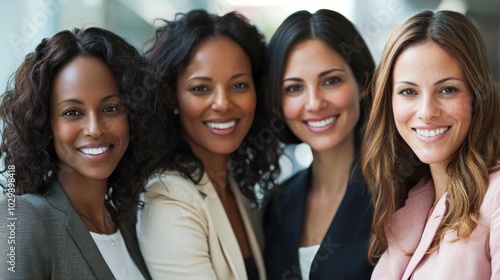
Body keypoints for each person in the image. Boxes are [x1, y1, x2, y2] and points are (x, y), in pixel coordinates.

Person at [0, 27, 170, 279]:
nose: (95, 129)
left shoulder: (127, 222)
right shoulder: (23, 220)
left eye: (111, 108)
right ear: (46, 125)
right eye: (72, 112)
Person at [136, 9, 280, 280]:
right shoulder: (168, 199)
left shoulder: (237, 187)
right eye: (201, 88)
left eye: (239, 85)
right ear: (171, 97)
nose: (223, 103)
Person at [362, 10, 500, 279]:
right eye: (408, 92)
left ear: (476, 95)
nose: (427, 111)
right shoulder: (409, 201)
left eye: (447, 89)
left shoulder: (495, 195)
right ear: (389, 102)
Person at [263, 9, 375, 280]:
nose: (314, 103)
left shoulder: (401, 191)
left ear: (362, 83)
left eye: (331, 81)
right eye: (294, 88)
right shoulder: (277, 204)